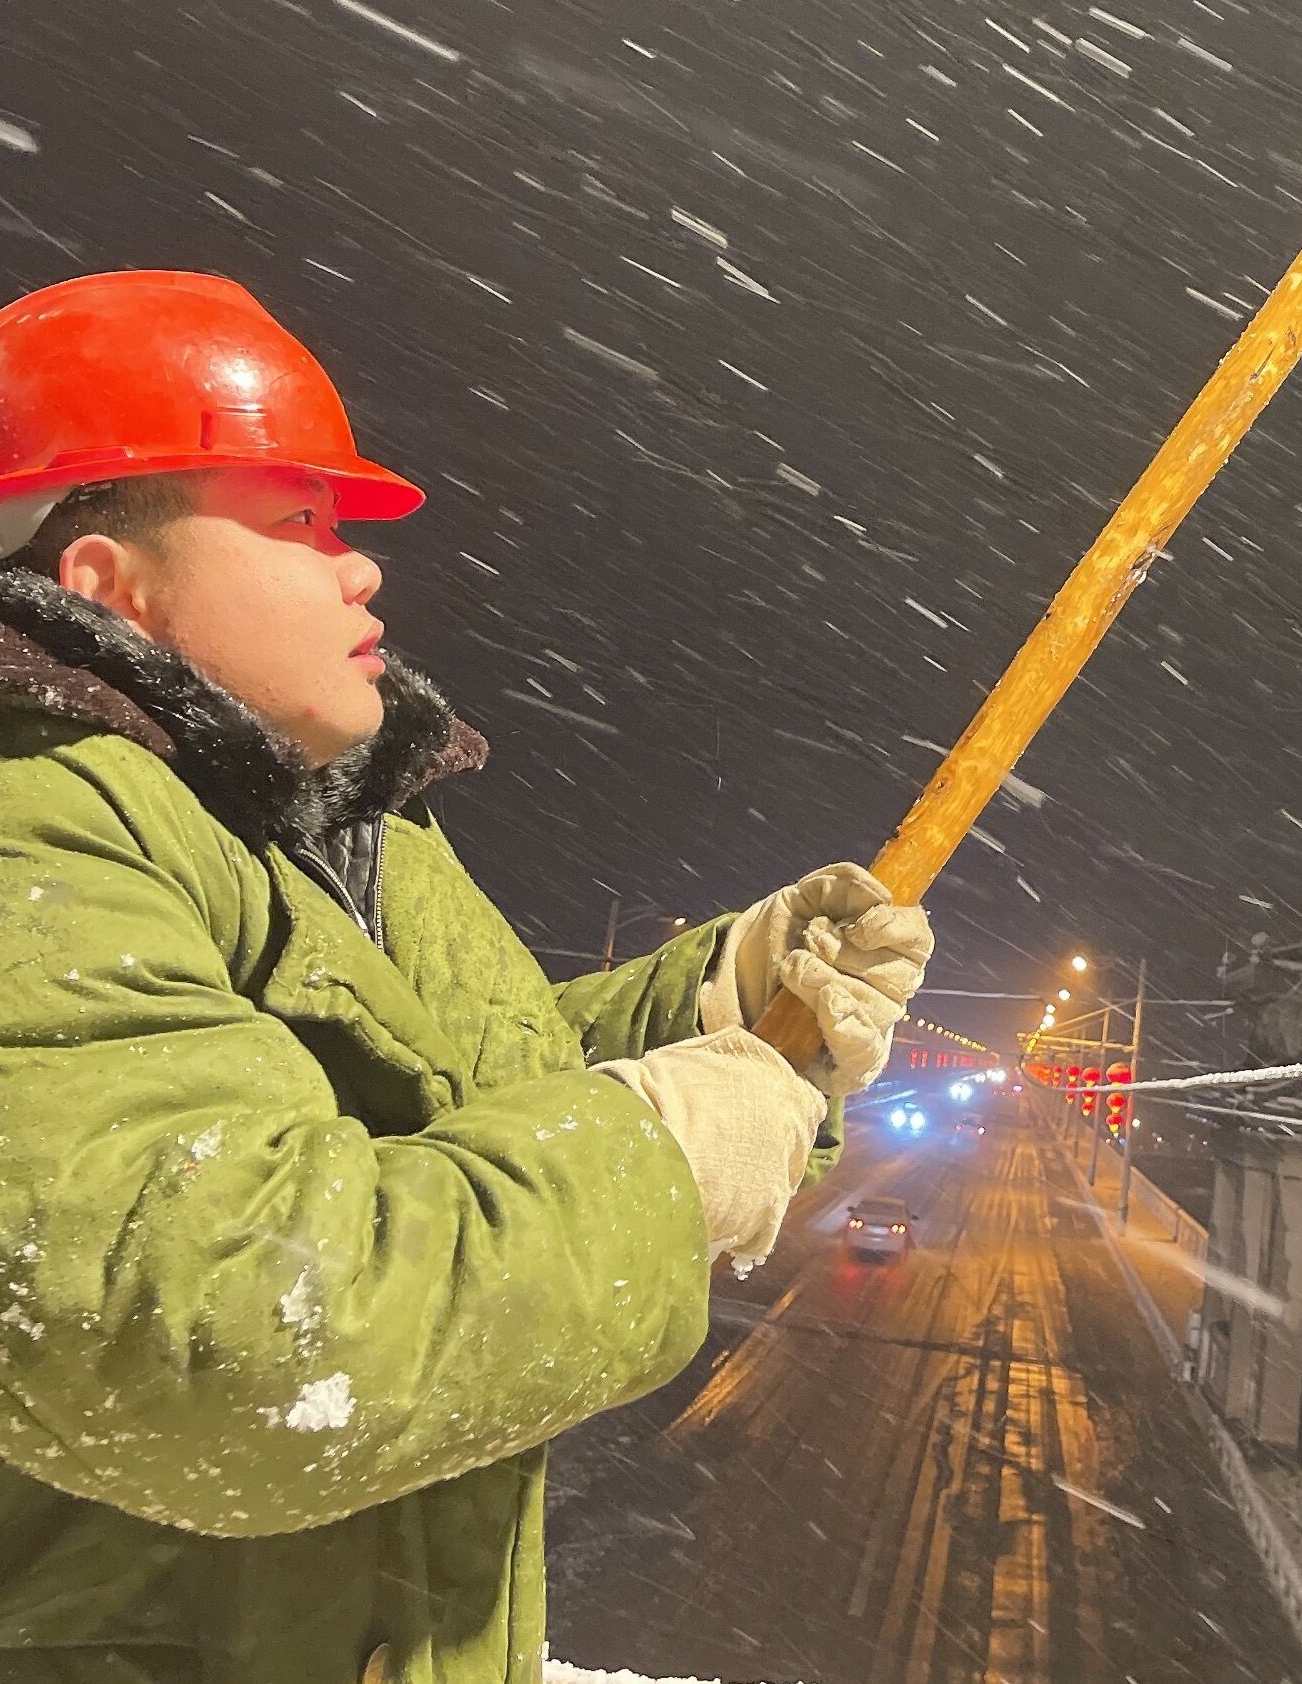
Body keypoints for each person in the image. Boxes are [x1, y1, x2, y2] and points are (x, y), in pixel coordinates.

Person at [0, 271, 933, 1684]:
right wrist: (661, 1149)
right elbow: (234, 1337)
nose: (359, 565)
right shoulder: (37, 830)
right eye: (296, 520)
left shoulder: (342, 828)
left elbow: (443, 1092)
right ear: (106, 585)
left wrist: (717, 1007)